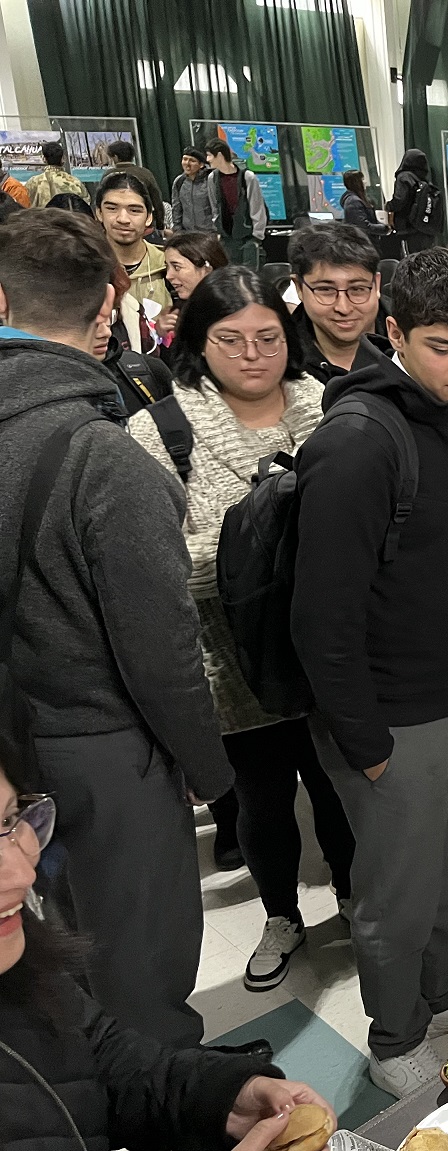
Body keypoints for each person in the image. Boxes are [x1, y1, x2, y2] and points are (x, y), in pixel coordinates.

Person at [0, 209, 232, 1046]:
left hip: (17, 741)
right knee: (141, 938)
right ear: (109, 304)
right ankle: (157, 1083)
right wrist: (205, 764)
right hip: (105, 741)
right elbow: (159, 647)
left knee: (56, 922)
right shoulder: (105, 458)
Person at [292, 249, 448, 1095]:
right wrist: (365, 742)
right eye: (439, 346)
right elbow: (322, 618)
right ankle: (394, 1039)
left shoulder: (447, 416)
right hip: (393, 717)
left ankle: (440, 997)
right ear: (393, 334)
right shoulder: (357, 443)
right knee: (394, 891)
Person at [127, 267, 356, 992]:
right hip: (229, 653)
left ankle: (354, 899)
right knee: (261, 797)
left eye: (267, 337)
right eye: (230, 339)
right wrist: (249, 551)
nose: (253, 355)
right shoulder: (160, 429)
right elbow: (152, 556)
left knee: (337, 786)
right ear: (197, 341)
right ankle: (282, 913)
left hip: (326, 647)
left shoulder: (328, 406)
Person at [0, 768, 340, 1151]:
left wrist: (224, 1096)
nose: (21, 874)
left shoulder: (18, 964)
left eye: (10, 821)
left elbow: (97, 1060)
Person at [288, 222, 387, 382]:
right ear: (299, 287)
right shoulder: (278, 359)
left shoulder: (415, 337)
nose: (344, 308)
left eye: (357, 289)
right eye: (326, 290)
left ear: (376, 284)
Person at [94, 171, 170, 313]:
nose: (123, 219)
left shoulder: (168, 266)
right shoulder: (86, 267)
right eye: (112, 208)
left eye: (134, 210)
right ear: (99, 212)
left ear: (148, 217)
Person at [154, 231, 228, 347]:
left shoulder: (233, 314)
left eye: (177, 267)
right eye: (167, 267)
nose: (168, 276)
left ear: (206, 269)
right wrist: (160, 335)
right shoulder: (178, 312)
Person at [204, 139, 267, 270]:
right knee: (229, 275)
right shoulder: (212, 179)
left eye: (209, 155)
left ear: (220, 155)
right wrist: (218, 230)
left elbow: (257, 207)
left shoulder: (247, 177)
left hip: (247, 236)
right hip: (226, 237)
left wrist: (257, 236)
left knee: (249, 276)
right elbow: (215, 206)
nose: (207, 159)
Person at [386, 148, 436, 254]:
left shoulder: (404, 177)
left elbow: (399, 200)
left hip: (407, 227)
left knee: (410, 258)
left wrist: (388, 206)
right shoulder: (423, 178)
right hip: (424, 227)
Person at [27, 139, 90, 209]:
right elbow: (86, 206)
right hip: (69, 219)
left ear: (44, 159)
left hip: (41, 219)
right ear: (62, 158)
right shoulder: (75, 182)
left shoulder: (33, 182)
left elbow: (24, 204)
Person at [165, 145, 212, 234]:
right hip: (188, 234)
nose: (187, 163)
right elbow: (176, 209)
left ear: (201, 164)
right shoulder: (179, 181)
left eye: (192, 161)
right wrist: (178, 232)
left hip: (209, 234)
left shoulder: (210, 180)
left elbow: (217, 208)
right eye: (185, 159)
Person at [338, 169, 387, 239]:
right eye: (363, 179)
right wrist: (384, 228)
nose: (365, 182)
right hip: (362, 242)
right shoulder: (353, 201)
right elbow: (362, 226)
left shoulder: (358, 199)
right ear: (356, 182)